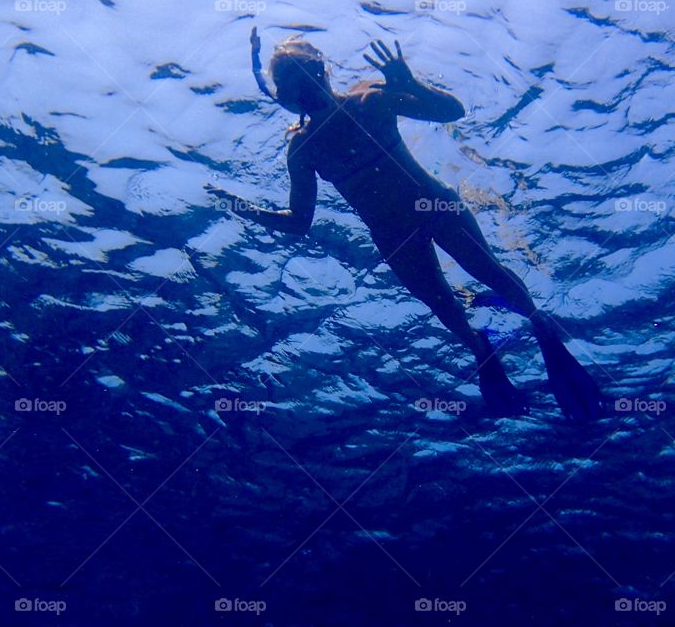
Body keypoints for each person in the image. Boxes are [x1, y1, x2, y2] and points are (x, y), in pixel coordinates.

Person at [207, 28, 603, 420]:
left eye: (302, 75)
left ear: (320, 71)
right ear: (288, 96)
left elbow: (452, 112)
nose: (303, 88)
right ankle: (482, 349)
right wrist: (243, 208)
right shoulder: (304, 147)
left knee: (489, 273)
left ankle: (542, 331)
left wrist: (412, 83)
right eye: (292, 83)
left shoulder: (368, 101)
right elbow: (300, 222)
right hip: (396, 234)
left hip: (433, 210)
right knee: (441, 302)